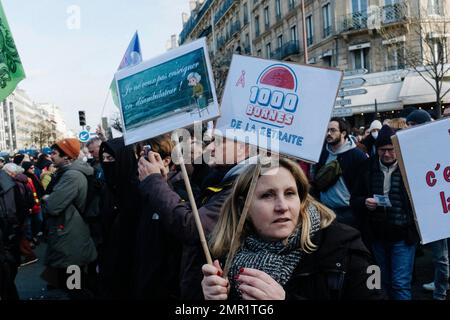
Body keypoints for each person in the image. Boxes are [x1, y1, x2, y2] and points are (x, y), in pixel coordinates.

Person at [201, 158, 382, 300]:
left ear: (301, 199)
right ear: (244, 208)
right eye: (267, 195)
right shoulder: (223, 257)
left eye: (289, 193)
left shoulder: (346, 247)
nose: (282, 206)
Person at [138, 134, 254, 299]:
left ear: (245, 148)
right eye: (212, 141)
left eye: (219, 142)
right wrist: (163, 183)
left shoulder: (242, 187)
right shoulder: (225, 180)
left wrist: (154, 182)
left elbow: (193, 227)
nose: (211, 148)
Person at [351, 125, 419, 300]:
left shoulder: (411, 167)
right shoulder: (366, 167)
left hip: (403, 236)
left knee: (400, 283)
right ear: (377, 149)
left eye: (391, 150)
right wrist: (364, 202)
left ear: (398, 148)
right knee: (383, 282)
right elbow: (354, 199)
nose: (387, 154)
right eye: (383, 150)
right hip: (377, 236)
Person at [40, 138, 97, 298]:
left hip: (70, 233)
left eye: (54, 153)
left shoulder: (71, 176)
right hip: (69, 230)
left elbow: (53, 206)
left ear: (67, 157)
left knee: (75, 286)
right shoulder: (68, 173)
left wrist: (47, 199)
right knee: (72, 281)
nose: (51, 156)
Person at [313, 118, 367, 228]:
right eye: (327, 130)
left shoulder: (357, 155)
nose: (328, 133)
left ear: (343, 133)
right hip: (325, 210)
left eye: (333, 130)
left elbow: (364, 185)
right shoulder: (321, 154)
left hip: (348, 212)